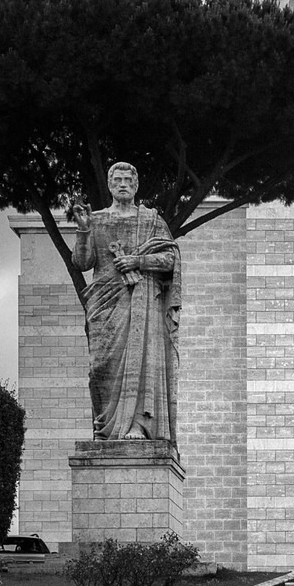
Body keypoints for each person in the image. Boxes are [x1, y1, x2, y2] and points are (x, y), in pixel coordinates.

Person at [67, 162, 181, 440]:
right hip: (104, 302)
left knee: (141, 362)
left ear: (136, 185)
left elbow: (170, 260)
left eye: (128, 181)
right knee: (99, 368)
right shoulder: (96, 219)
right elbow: (82, 262)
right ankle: (104, 429)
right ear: (109, 185)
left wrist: (138, 261)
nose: (122, 184)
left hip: (142, 301)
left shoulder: (152, 221)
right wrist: (83, 231)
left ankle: (137, 425)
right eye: (117, 180)